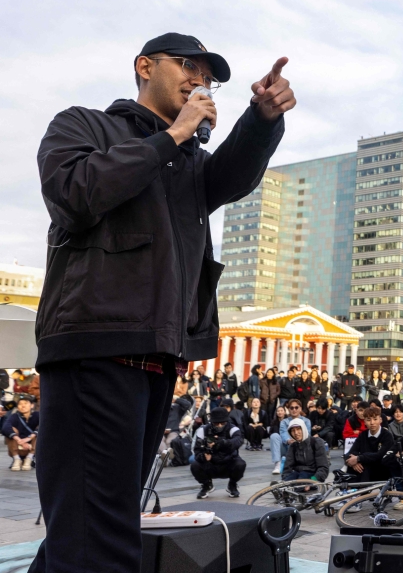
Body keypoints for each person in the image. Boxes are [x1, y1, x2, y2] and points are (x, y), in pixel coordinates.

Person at [30, 33, 293, 572]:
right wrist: (173, 135)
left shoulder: (189, 161)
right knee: (97, 538)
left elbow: (231, 176)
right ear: (144, 66)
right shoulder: (84, 124)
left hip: (156, 352)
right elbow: (75, 193)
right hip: (95, 346)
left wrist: (261, 119)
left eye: (209, 76)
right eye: (187, 66)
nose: (200, 79)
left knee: (95, 521)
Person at [192, 407, 246, 499]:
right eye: (216, 423)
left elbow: (238, 441)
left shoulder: (233, 429)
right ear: (212, 422)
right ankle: (206, 485)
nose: (220, 425)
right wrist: (204, 456)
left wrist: (221, 442)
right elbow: (197, 450)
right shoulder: (203, 430)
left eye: (223, 423)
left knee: (240, 464)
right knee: (195, 465)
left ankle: (232, 484)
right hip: (211, 464)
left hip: (228, 462)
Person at [345, 405, 395, 482]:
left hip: (382, 468)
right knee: (352, 464)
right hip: (365, 467)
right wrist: (354, 463)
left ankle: (362, 492)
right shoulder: (363, 434)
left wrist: (359, 458)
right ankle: (349, 491)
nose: (372, 423)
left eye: (375, 419)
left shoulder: (387, 435)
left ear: (380, 420)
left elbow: (380, 455)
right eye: (368, 420)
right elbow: (351, 452)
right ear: (364, 421)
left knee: (365, 465)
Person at [268, 399, 311, 474]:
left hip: (301, 447)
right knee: (274, 436)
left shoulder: (306, 421)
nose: (294, 410)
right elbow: (283, 433)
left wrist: (297, 439)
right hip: (287, 446)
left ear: (300, 408)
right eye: (291, 408)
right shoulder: (284, 422)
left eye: (296, 407)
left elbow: (307, 434)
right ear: (288, 409)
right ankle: (277, 464)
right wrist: (288, 440)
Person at [281, 417, 330, 482]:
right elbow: (287, 467)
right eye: (293, 431)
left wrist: (314, 480)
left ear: (303, 429)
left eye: (298, 429)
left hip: (312, 475)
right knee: (287, 482)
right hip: (297, 474)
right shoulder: (293, 446)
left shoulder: (316, 442)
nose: (296, 433)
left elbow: (323, 467)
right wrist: (285, 478)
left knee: (301, 481)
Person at [2, 397, 38, 471]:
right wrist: (18, 439)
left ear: (32, 405)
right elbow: (5, 427)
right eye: (20, 404)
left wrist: (30, 437)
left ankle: (29, 459)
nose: (23, 406)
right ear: (17, 407)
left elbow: (45, 426)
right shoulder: (14, 416)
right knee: (11, 430)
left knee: (39, 431)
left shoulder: (38, 415)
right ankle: (17, 459)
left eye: (25, 403)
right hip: (17, 446)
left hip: (33, 447)